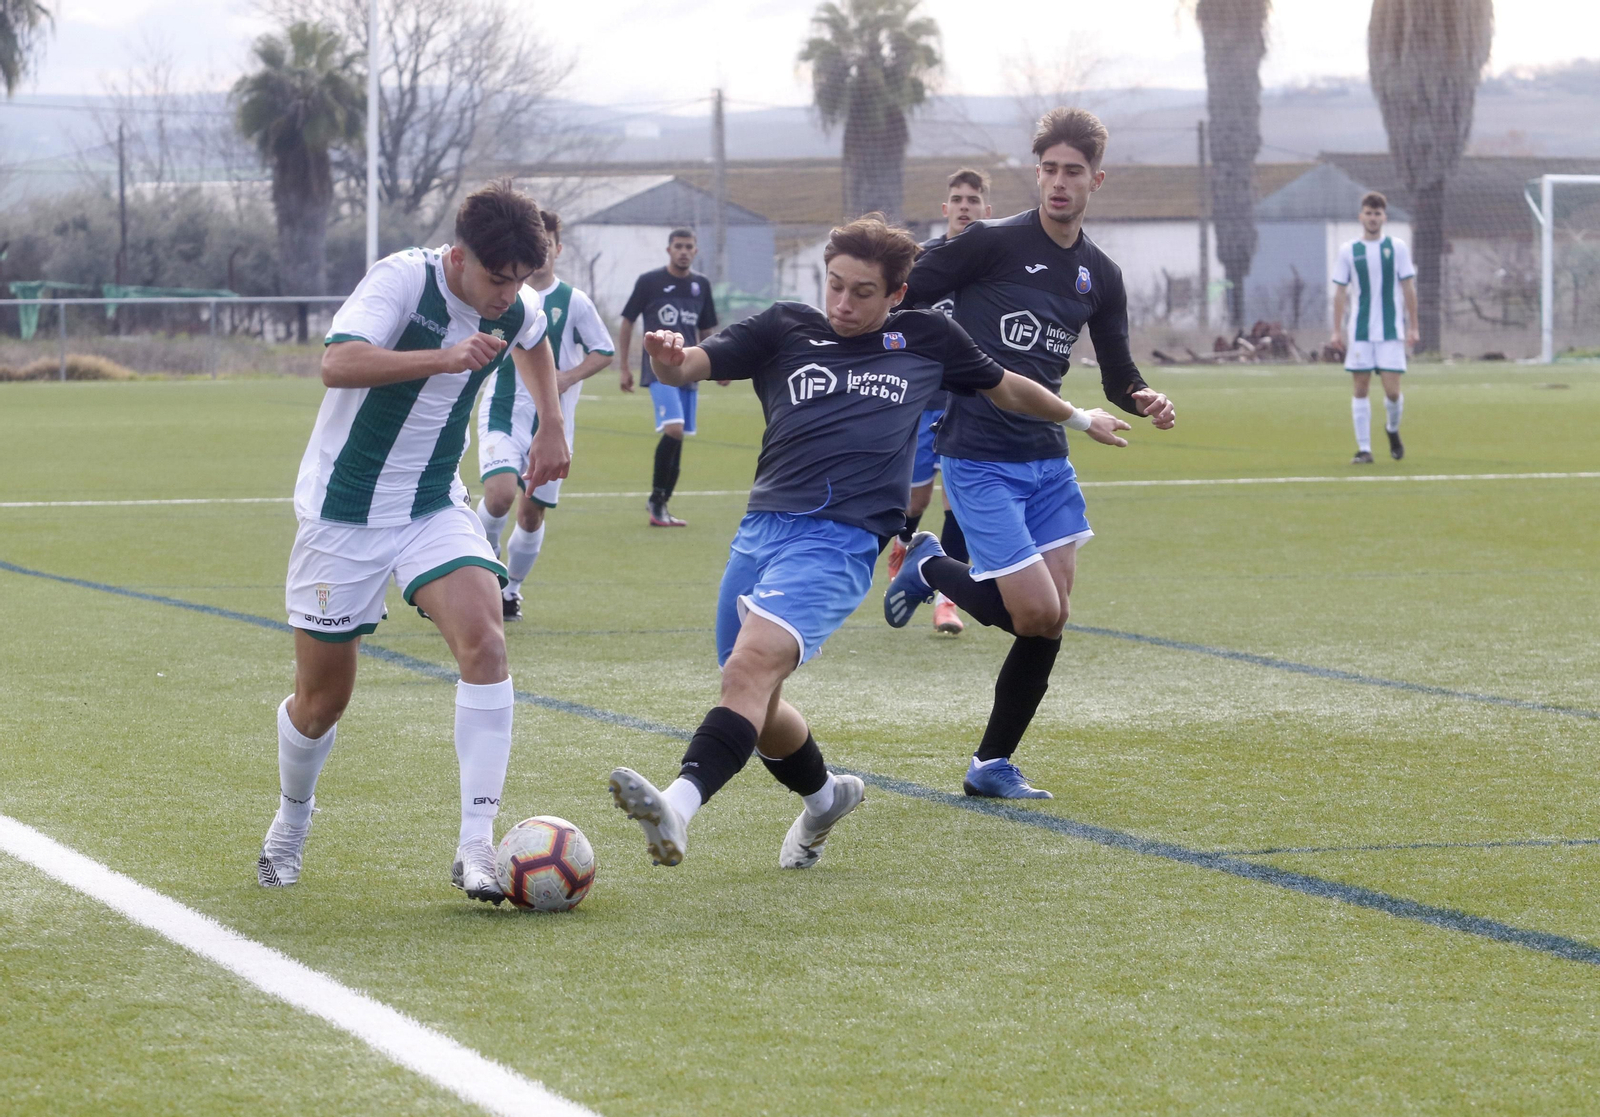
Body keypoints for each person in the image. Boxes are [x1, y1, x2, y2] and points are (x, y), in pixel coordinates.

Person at [607, 215, 1132, 870]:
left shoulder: (926, 337)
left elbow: (1007, 387)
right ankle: (826, 797)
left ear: (896, 295)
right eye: (834, 285)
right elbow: (689, 364)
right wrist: (665, 358)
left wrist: (1081, 417)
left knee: (747, 671)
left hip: (840, 541)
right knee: (755, 698)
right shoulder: (784, 328)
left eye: (861, 291)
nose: (843, 303)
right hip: (762, 529)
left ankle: (678, 806)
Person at [258, 181, 570, 904]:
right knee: (321, 702)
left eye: (521, 280)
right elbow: (338, 361)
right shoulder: (404, 279)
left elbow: (534, 336)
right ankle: (291, 822)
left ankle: (475, 847)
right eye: (497, 278)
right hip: (343, 515)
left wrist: (550, 420)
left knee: (487, 644)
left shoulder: (513, 300)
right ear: (459, 256)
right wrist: (443, 356)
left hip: (432, 505)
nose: (507, 294)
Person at [888, 108, 1176, 801]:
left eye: (1072, 171)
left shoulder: (1100, 276)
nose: (1057, 182)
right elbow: (907, 292)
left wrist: (1143, 397)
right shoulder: (990, 243)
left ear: (1095, 180)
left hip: (1048, 456)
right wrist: (921, 358)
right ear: (1037, 172)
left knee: (1052, 616)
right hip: (979, 452)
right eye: (1047, 169)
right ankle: (928, 561)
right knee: (1032, 613)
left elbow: (1117, 372)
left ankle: (991, 763)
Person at [475, 209, 616, 620]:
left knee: (530, 512)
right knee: (500, 495)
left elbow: (602, 350)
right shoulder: (503, 294)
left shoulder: (574, 301)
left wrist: (568, 377)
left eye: (549, 244)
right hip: (503, 410)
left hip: (552, 422)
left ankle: (511, 591)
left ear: (556, 248)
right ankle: (484, 567)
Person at [889, 167, 996, 637]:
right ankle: (903, 548)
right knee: (915, 498)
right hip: (921, 402)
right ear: (945, 208)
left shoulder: (992, 267)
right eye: (958, 198)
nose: (965, 206)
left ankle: (947, 601)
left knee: (960, 503)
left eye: (974, 199)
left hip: (968, 403)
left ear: (987, 210)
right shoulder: (922, 262)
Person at [616, 227, 719, 526]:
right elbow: (627, 322)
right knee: (674, 429)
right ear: (669, 250)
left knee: (680, 434)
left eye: (689, 246)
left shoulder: (701, 285)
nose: (684, 251)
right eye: (678, 246)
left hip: (689, 369)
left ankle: (662, 503)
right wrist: (625, 366)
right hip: (659, 369)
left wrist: (717, 364)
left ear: (696, 251)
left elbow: (706, 331)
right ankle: (656, 500)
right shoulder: (650, 282)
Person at [1330, 191, 1418, 464]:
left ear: (1384, 218)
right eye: (1368, 213)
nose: (1372, 218)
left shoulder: (1398, 248)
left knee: (1392, 391)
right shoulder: (1349, 251)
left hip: (1391, 331)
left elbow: (1408, 288)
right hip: (1361, 332)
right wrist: (1336, 331)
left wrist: (1414, 326)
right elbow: (1340, 293)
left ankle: (1392, 429)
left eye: (1377, 214)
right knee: (1361, 387)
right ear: (1361, 217)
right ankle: (1364, 449)